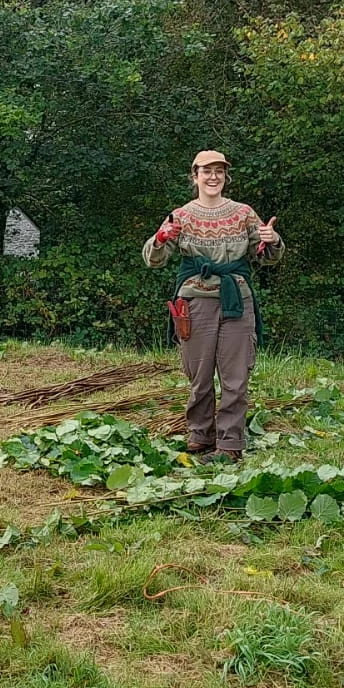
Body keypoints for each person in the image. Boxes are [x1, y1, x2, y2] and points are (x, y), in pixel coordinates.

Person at [143, 150, 283, 463]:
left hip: (237, 299)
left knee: (235, 376)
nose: (213, 177)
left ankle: (230, 444)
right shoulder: (181, 215)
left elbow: (266, 254)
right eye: (206, 171)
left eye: (219, 171)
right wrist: (162, 237)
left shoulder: (244, 213)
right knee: (199, 374)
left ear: (225, 177)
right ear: (195, 176)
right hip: (193, 302)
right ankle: (200, 434)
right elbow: (154, 259)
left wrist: (270, 239)